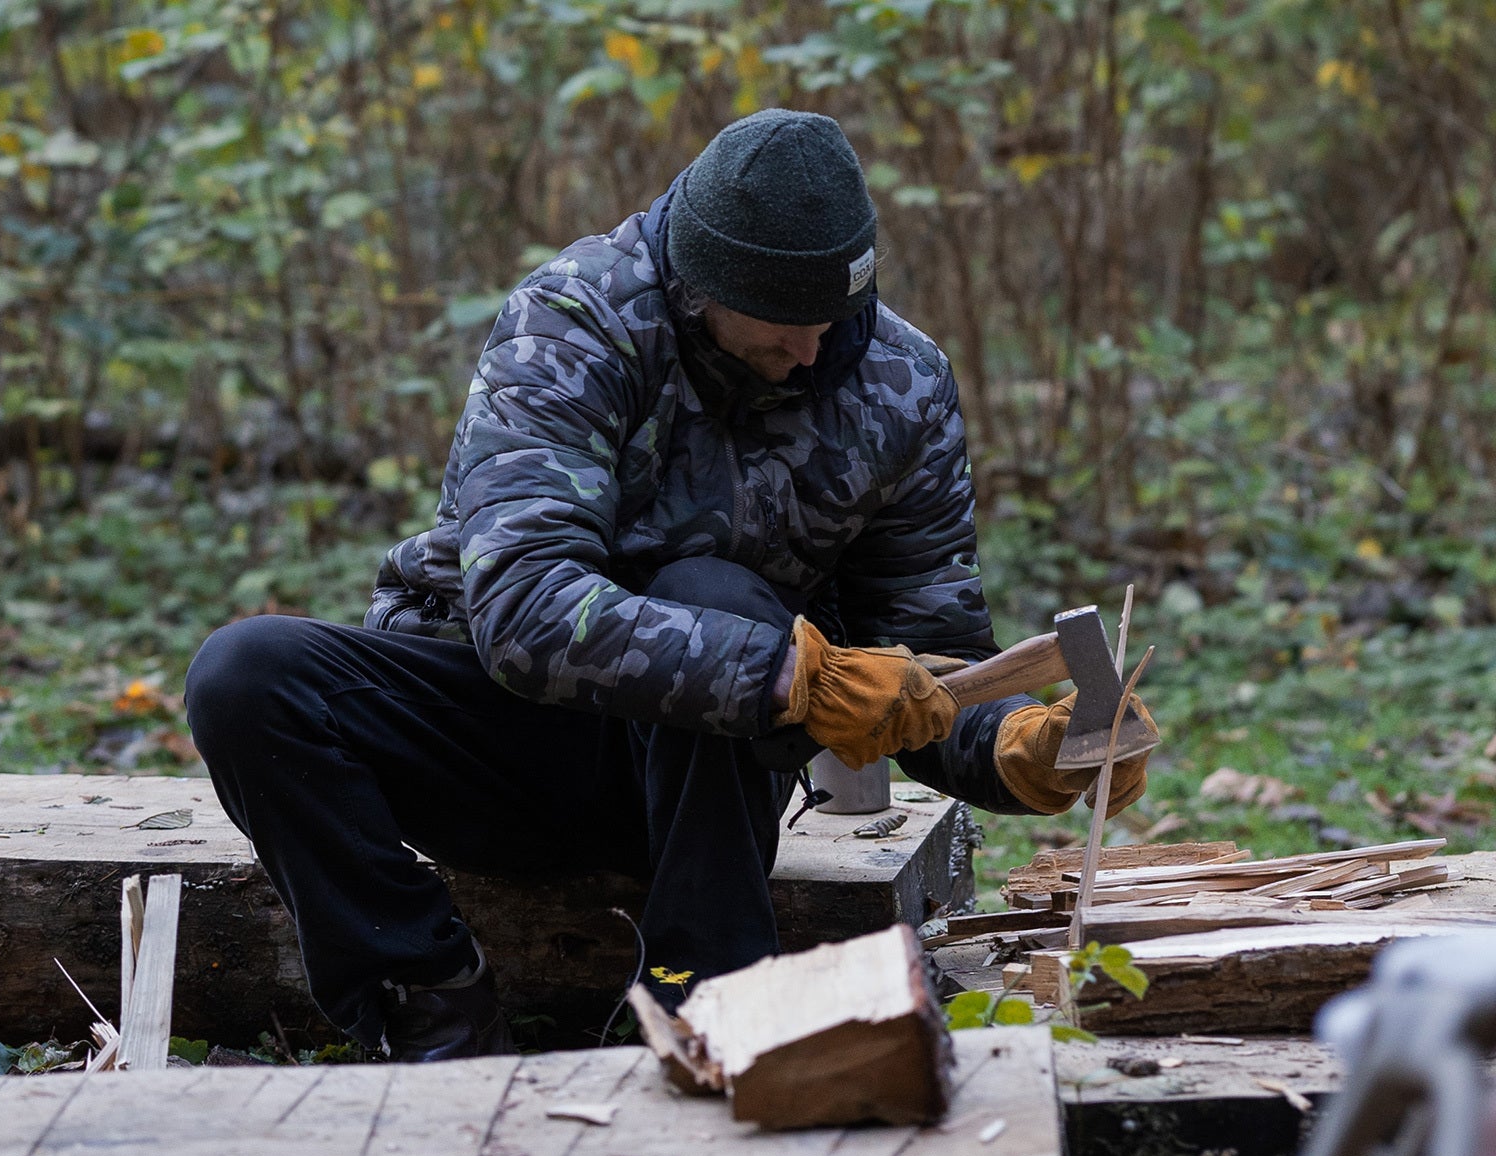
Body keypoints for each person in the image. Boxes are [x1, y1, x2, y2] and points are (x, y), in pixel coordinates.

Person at [184, 109, 1154, 1063]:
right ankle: (428, 1001)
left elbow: (930, 659)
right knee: (246, 676)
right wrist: (787, 679)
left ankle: (711, 1002)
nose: (813, 352)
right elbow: (521, 610)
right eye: (782, 327)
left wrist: (1024, 746)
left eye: (833, 319)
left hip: (692, 785)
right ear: (699, 286)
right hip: (496, 738)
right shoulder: (575, 321)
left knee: (717, 595)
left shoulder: (901, 386)